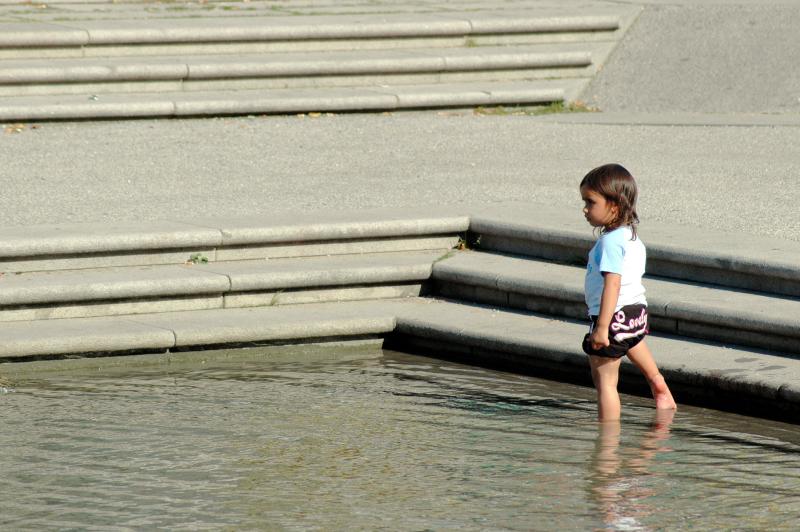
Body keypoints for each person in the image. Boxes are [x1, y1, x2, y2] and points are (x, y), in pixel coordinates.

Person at [579, 163, 677, 420]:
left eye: (590, 202)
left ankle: (607, 445)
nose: (585, 209)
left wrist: (601, 327)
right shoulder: (632, 237)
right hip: (636, 313)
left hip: (611, 317)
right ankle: (658, 384)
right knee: (631, 339)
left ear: (614, 205)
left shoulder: (610, 242)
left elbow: (613, 283)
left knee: (605, 383)